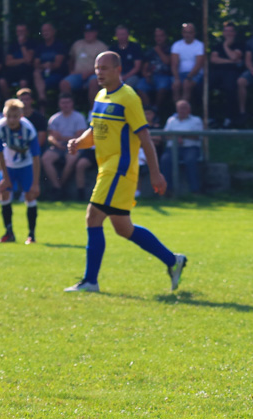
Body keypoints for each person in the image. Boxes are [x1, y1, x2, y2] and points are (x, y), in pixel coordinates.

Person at [64, 51, 186, 293]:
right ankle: (174, 261)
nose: (99, 72)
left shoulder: (128, 98)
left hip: (119, 169)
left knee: (93, 217)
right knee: (123, 228)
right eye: (97, 67)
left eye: (105, 68)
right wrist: (79, 142)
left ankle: (90, 281)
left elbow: (145, 138)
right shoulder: (100, 96)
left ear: (118, 70)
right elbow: (95, 133)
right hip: (106, 169)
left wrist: (155, 173)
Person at [0, 98, 41, 244]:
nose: (12, 120)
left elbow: (36, 157)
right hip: (8, 164)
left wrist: (36, 183)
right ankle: (9, 232)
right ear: (4, 115)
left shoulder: (29, 130)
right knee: (4, 192)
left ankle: (31, 235)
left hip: (26, 165)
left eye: (15, 116)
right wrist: (5, 178)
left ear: (21, 116)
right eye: (9, 116)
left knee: (30, 195)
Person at [42, 92, 87, 197]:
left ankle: (60, 186)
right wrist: (56, 143)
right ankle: (56, 187)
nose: (65, 105)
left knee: (71, 159)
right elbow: (51, 136)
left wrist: (61, 137)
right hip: (58, 145)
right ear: (59, 104)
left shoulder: (79, 117)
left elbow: (79, 136)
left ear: (72, 103)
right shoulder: (55, 118)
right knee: (45, 159)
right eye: (63, 103)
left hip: (74, 145)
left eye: (68, 102)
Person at [60, 23, 108, 108]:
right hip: (77, 75)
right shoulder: (77, 44)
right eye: (86, 32)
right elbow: (71, 59)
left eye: (90, 32)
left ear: (95, 33)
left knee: (94, 82)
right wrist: (71, 71)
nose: (88, 34)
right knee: (64, 83)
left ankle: (92, 111)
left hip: (94, 75)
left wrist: (89, 73)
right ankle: (70, 109)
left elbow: (104, 66)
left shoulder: (102, 46)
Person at [160, 99, 203, 193]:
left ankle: (195, 190)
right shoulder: (171, 120)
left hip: (190, 148)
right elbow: (165, 135)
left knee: (190, 160)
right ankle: (167, 190)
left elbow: (197, 136)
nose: (182, 110)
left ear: (189, 109)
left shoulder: (196, 120)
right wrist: (176, 137)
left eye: (184, 108)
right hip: (172, 148)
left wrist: (180, 136)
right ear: (177, 109)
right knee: (165, 160)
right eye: (180, 108)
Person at [209, 21, 244, 127]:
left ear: (234, 33)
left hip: (232, 73)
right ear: (223, 33)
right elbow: (213, 59)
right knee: (202, 87)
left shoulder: (239, 45)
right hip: (217, 72)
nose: (228, 33)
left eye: (231, 31)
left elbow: (234, 56)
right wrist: (230, 61)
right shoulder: (217, 45)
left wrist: (226, 46)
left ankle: (229, 117)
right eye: (226, 31)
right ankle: (210, 117)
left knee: (230, 89)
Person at [32, 22, 67, 111]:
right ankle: (42, 99)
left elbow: (57, 64)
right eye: (43, 31)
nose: (45, 33)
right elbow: (36, 64)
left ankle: (42, 106)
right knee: (36, 73)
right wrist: (44, 66)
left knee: (40, 83)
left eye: (47, 30)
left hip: (57, 74)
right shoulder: (40, 47)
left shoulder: (59, 46)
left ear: (54, 31)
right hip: (42, 74)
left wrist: (49, 65)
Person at [138, 27, 173, 111]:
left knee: (162, 86)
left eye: (161, 36)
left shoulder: (170, 49)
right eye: (157, 36)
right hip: (151, 76)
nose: (159, 38)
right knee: (140, 86)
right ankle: (148, 109)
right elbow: (145, 66)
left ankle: (156, 108)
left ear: (165, 37)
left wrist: (158, 51)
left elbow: (168, 62)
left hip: (165, 76)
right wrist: (146, 75)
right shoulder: (150, 50)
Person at [170, 23, 205, 104]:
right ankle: (177, 112)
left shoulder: (200, 45)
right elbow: (174, 64)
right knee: (175, 85)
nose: (187, 35)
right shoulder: (177, 45)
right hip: (180, 74)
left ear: (194, 33)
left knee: (186, 84)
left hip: (195, 74)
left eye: (190, 32)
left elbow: (198, 65)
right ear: (182, 33)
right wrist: (176, 78)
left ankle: (183, 110)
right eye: (185, 32)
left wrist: (189, 77)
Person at [0, 23, 37, 98]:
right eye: (18, 31)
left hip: (26, 71)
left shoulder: (32, 43)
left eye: (22, 31)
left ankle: (23, 105)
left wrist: (22, 45)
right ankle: (10, 103)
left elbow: (28, 60)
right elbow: (8, 62)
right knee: (2, 82)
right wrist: (23, 60)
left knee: (23, 83)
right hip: (13, 71)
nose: (20, 33)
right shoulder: (13, 45)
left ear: (27, 32)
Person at [109, 25, 143, 91]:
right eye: (119, 34)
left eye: (123, 34)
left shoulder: (135, 47)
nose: (121, 37)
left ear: (128, 35)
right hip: (116, 76)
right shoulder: (112, 49)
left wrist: (124, 77)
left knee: (126, 86)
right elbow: (110, 66)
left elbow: (137, 67)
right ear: (116, 35)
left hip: (132, 76)